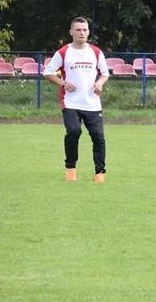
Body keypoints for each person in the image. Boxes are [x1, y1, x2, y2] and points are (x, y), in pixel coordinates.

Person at [44, 17, 110, 183]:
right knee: (74, 131)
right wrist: (63, 83)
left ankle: (100, 172)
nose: (82, 33)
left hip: (92, 103)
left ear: (88, 32)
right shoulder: (63, 52)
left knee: (98, 137)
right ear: (71, 32)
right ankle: (71, 168)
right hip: (71, 102)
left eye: (85, 30)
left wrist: (100, 83)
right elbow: (48, 73)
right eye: (78, 30)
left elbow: (105, 73)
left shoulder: (96, 52)